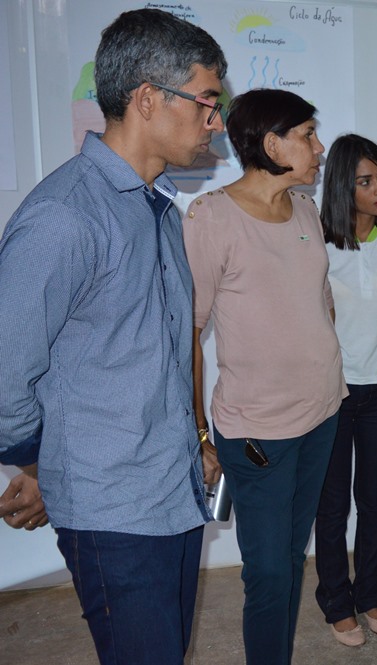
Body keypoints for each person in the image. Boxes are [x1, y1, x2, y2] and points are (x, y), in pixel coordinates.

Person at [0, 8, 226, 664]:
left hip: (173, 488)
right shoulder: (63, 217)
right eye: (206, 102)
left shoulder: (159, 209)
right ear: (148, 99)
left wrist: (197, 439)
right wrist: (43, 465)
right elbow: (7, 375)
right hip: (114, 512)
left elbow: (161, 351)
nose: (216, 122)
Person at [183, 88, 347, 665]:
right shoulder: (210, 217)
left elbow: (319, 302)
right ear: (272, 144)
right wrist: (198, 432)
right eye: (307, 135)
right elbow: (187, 334)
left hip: (323, 413)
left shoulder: (304, 208)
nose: (319, 148)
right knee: (270, 572)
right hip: (257, 431)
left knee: (292, 557)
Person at [314, 134, 377, 646]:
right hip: (333, 394)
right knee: (332, 506)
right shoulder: (317, 243)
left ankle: (370, 594)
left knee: (373, 501)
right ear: (342, 187)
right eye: (366, 181)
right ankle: (336, 601)